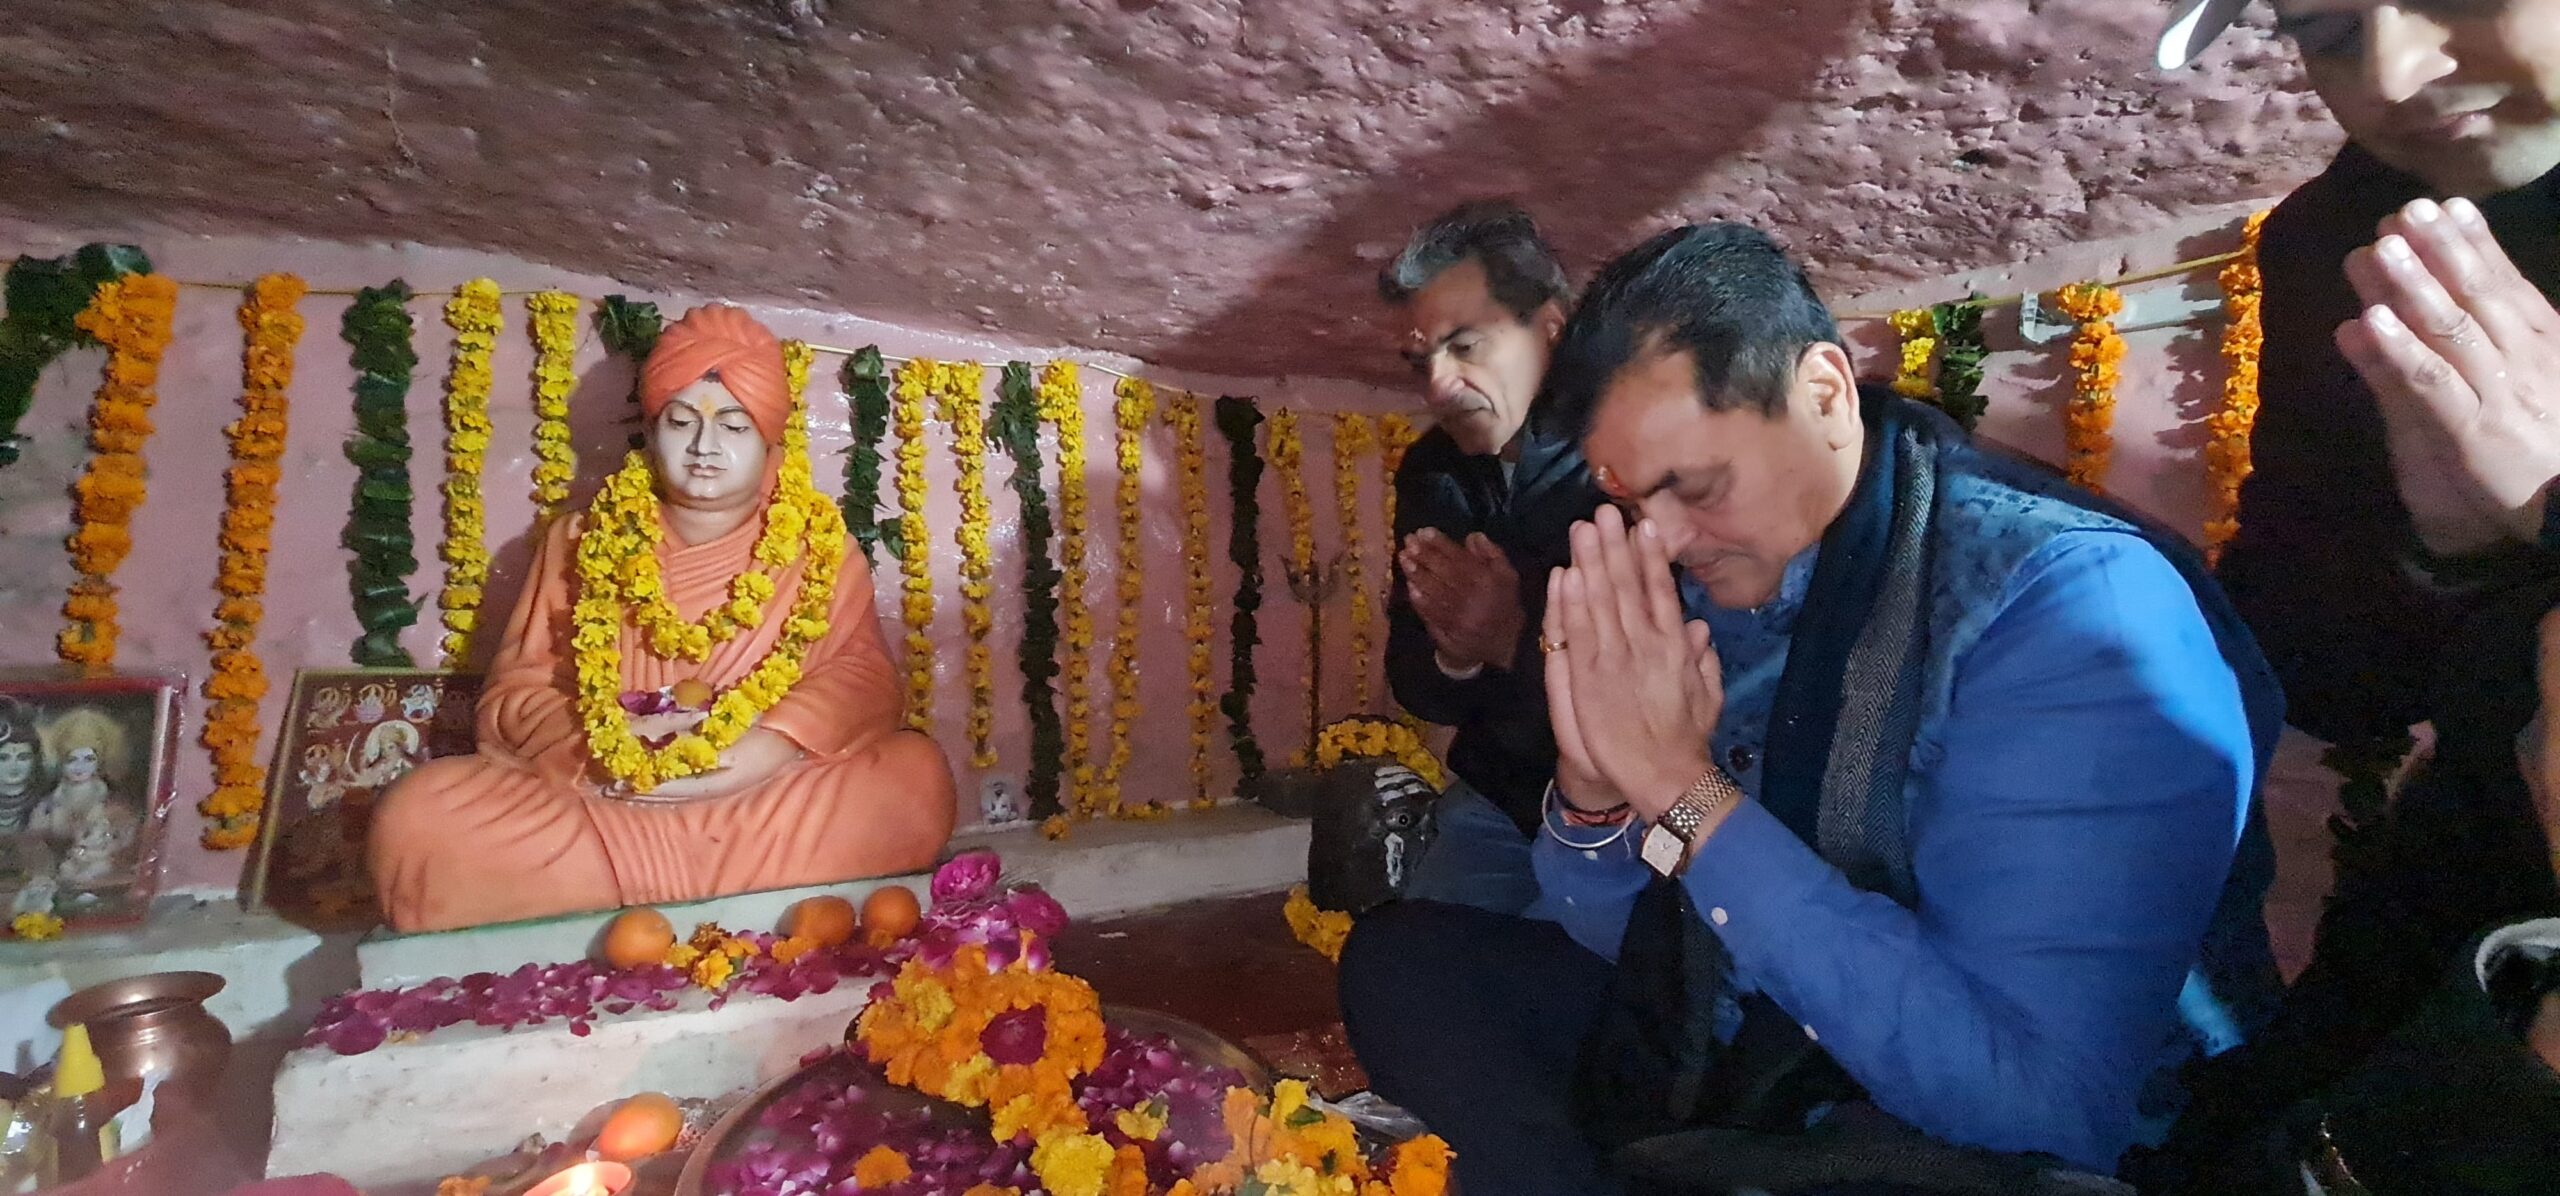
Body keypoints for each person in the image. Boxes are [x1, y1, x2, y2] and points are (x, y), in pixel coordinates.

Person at [1339, 223, 2284, 1195]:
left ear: (1825, 392)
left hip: (1966, 1130)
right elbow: (1646, 937)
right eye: (1633, 502)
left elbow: (2037, 1107)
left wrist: (1685, 793)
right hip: (1755, 1039)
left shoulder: (2069, 610)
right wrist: (1593, 797)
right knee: (1411, 964)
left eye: (1694, 486)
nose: (1663, 539)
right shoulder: (1713, 585)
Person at [2145, 6, 2560, 1184]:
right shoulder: (2338, 235)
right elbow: (2325, 673)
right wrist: (2436, 554)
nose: (2390, 73)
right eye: (2324, 28)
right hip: (2446, 885)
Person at [369, 305, 958, 932]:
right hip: (606, 799)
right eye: (681, 422)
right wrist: (606, 745)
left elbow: (863, 680)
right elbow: (515, 696)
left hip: (761, 794)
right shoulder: (580, 541)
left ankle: (629, 900)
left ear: (770, 442)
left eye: (733, 426)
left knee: (914, 780)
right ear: (650, 433)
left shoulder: (820, 549)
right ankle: (737, 892)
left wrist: (769, 745)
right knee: (418, 821)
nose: (705, 448)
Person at [1377, 201, 1607, 913]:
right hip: (1502, 797)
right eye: (1421, 362)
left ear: (1551, 328)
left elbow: (1686, 683)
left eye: (1466, 346)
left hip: (1639, 804)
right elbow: (1417, 684)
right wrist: (1455, 653)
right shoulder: (1436, 471)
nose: (1438, 386)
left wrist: (1510, 636)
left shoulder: (1626, 450)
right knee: (1412, 952)